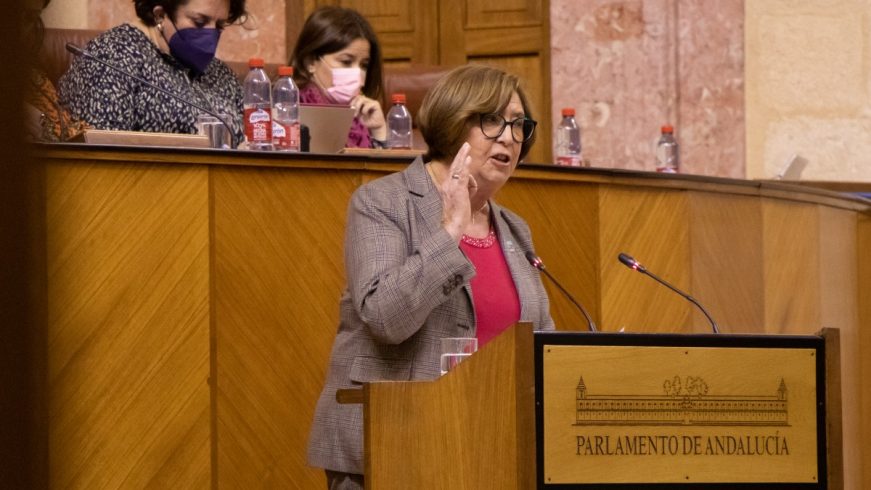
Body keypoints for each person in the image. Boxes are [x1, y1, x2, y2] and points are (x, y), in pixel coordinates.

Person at [307, 64, 555, 489]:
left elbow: (539, 340)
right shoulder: (382, 203)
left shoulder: (514, 229)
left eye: (519, 125)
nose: (510, 138)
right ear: (455, 119)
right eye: (493, 121)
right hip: (393, 446)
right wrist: (451, 230)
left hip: (488, 448)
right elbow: (386, 318)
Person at [58, 0, 246, 145]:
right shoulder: (111, 55)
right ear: (160, 15)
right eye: (199, 22)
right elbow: (101, 155)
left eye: (220, 26)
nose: (211, 33)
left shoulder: (220, 73)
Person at [289, 6, 387, 149]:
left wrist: (378, 130)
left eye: (364, 65)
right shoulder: (289, 110)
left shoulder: (361, 115)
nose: (357, 73)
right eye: (346, 62)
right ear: (310, 62)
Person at [24, 0, 89, 142]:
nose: (18, 27)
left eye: (29, 18)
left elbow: (65, 129)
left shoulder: (32, 75)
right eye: (10, 15)